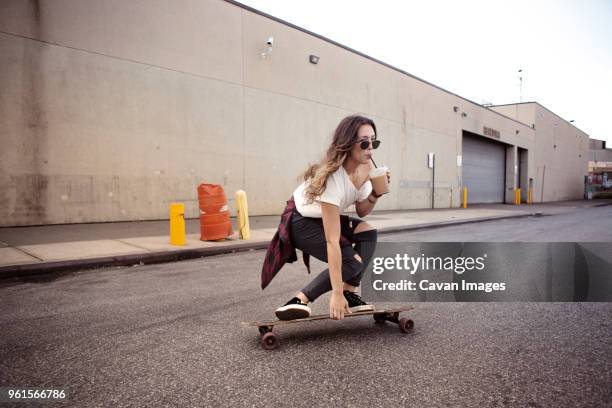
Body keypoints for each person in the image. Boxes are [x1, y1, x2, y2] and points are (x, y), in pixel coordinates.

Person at [268, 114, 390, 321]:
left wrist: (375, 194)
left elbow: (362, 210)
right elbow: (332, 241)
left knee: (368, 232)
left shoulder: (367, 167)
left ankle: (350, 292)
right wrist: (335, 293)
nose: (370, 147)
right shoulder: (334, 177)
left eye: (374, 141)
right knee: (350, 262)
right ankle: (299, 300)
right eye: (364, 142)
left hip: (319, 217)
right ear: (348, 143)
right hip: (300, 221)